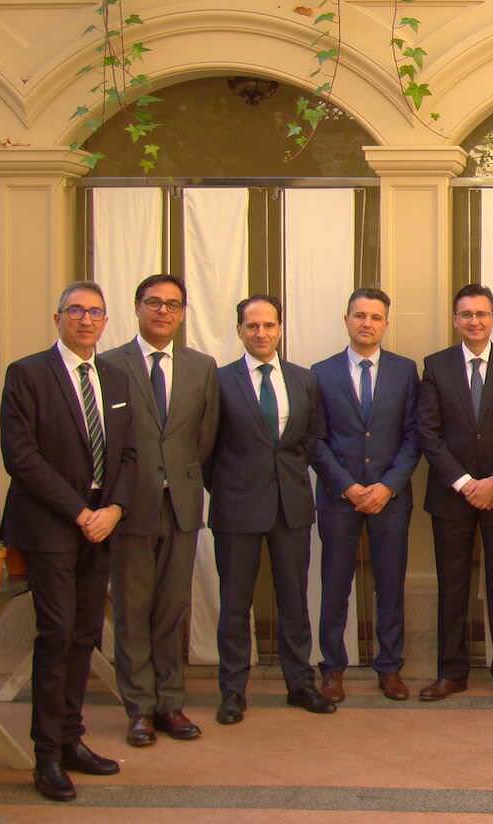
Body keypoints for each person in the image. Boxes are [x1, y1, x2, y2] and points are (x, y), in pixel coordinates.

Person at [0, 281, 136, 802]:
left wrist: (114, 510)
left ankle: (71, 739)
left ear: (106, 322)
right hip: (51, 524)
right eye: (75, 310)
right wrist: (80, 512)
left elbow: (129, 454)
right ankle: (46, 756)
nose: (85, 319)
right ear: (57, 318)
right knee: (56, 635)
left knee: (84, 635)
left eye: (95, 312)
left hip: (101, 524)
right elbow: (21, 456)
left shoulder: (116, 376)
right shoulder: (28, 374)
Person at [101, 274, 219, 748]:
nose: (163, 311)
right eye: (154, 302)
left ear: (183, 312)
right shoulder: (110, 364)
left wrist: (179, 477)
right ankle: (139, 709)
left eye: (172, 304)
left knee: (172, 608)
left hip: (182, 505)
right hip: (130, 506)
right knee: (132, 610)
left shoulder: (201, 367)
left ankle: (170, 703)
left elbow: (204, 438)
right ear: (137, 307)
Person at [206, 294, 336, 725]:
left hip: (290, 508)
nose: (261, 333)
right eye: (252, 326)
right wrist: (230, 487)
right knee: (235, 604)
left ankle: (300, 684)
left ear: (280, 329)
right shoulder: (219, 381)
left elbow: (309, 441)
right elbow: (205, 448)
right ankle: (232, 691)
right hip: (236, 508)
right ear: (239, 331)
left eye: (269, 325)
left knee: (294, 600)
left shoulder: (303, 380)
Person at [418, 283, 493, 703]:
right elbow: (428, 433)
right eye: (466, 314)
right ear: (455, 320)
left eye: (481, 314)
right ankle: (451, 672)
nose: (474, 321)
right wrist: (466, 483)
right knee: (453, 586)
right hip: (452, 496)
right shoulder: (436, 366)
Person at [310, 288, 422, 703]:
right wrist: (348, 486)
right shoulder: (321, 373)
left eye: (375, 317)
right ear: (346, 320)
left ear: (386, 324)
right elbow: (315, 439)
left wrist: (388, 485)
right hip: (339, 497)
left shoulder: (404, 371)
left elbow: (414, 436)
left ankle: (389, 668)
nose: (367, 323)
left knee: (389, 585)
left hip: (389, 497)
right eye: (359, 315)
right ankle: (332, 667)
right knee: (335, 583)